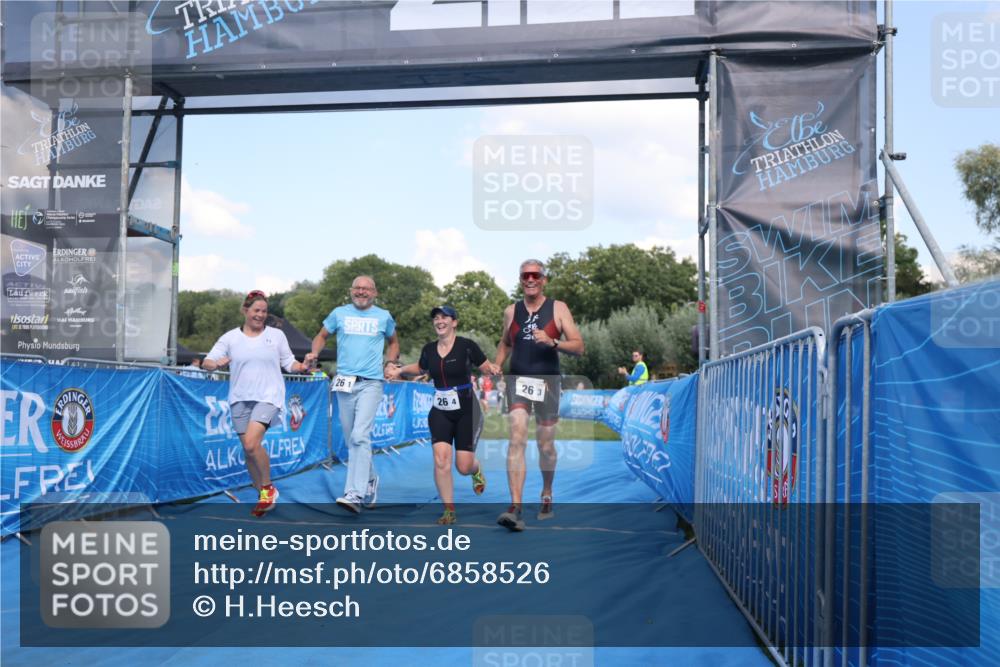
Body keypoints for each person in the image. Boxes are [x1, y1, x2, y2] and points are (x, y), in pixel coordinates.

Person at [387, 306, 501, 524]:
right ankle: (449, 510)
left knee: (463, 466)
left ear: (454, 322)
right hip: (440, 410)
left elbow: (485, 366)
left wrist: (493, 368)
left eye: (444, 318)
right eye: (436, 318)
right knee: (441, 461)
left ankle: (476, 469)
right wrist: (399, 370)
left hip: (467, 409)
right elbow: (420, 368)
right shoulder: (429, 349)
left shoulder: (467, 346)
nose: (439, 321)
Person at [202, 290, 311, 516]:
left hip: (269, 397)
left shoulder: (276, 336)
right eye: (256, 310)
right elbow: (207, 361)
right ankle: (263, 494)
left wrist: (302, 367)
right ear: (245, 310)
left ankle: (268, 489)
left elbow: (289, 362)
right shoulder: (230, 338)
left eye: (264, 311)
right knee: (248, 450)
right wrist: (215, 364)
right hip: (239, 399)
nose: (260, 315)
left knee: (252, 444)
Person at [495, 259, 584, 531]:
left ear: (544, 279)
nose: (530, 279)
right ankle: (515, 506)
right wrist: (497, 364)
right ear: (520, 280)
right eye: (525, 276)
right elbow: (505, 342)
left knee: (545, 446)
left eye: (535, 275)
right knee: (516, 437)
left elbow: (579, 347)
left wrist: (553, 341)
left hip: (548, 382)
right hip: (518, 380)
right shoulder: (511, 311)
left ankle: (546, 491)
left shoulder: (558, 308)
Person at [306, 275, 399, 514]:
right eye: (357, 288)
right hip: (345, 383)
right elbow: (321, 335)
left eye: (366, 288)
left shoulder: (384, 316)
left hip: (371, 383)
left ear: (375, 293)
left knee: (359, 436)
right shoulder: (339, 313)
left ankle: (354, 494)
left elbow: (393, 343)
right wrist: (314, 353)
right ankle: (370, 478)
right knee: (351, 440)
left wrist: (390, 363)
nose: (361, 292)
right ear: (351, 291)